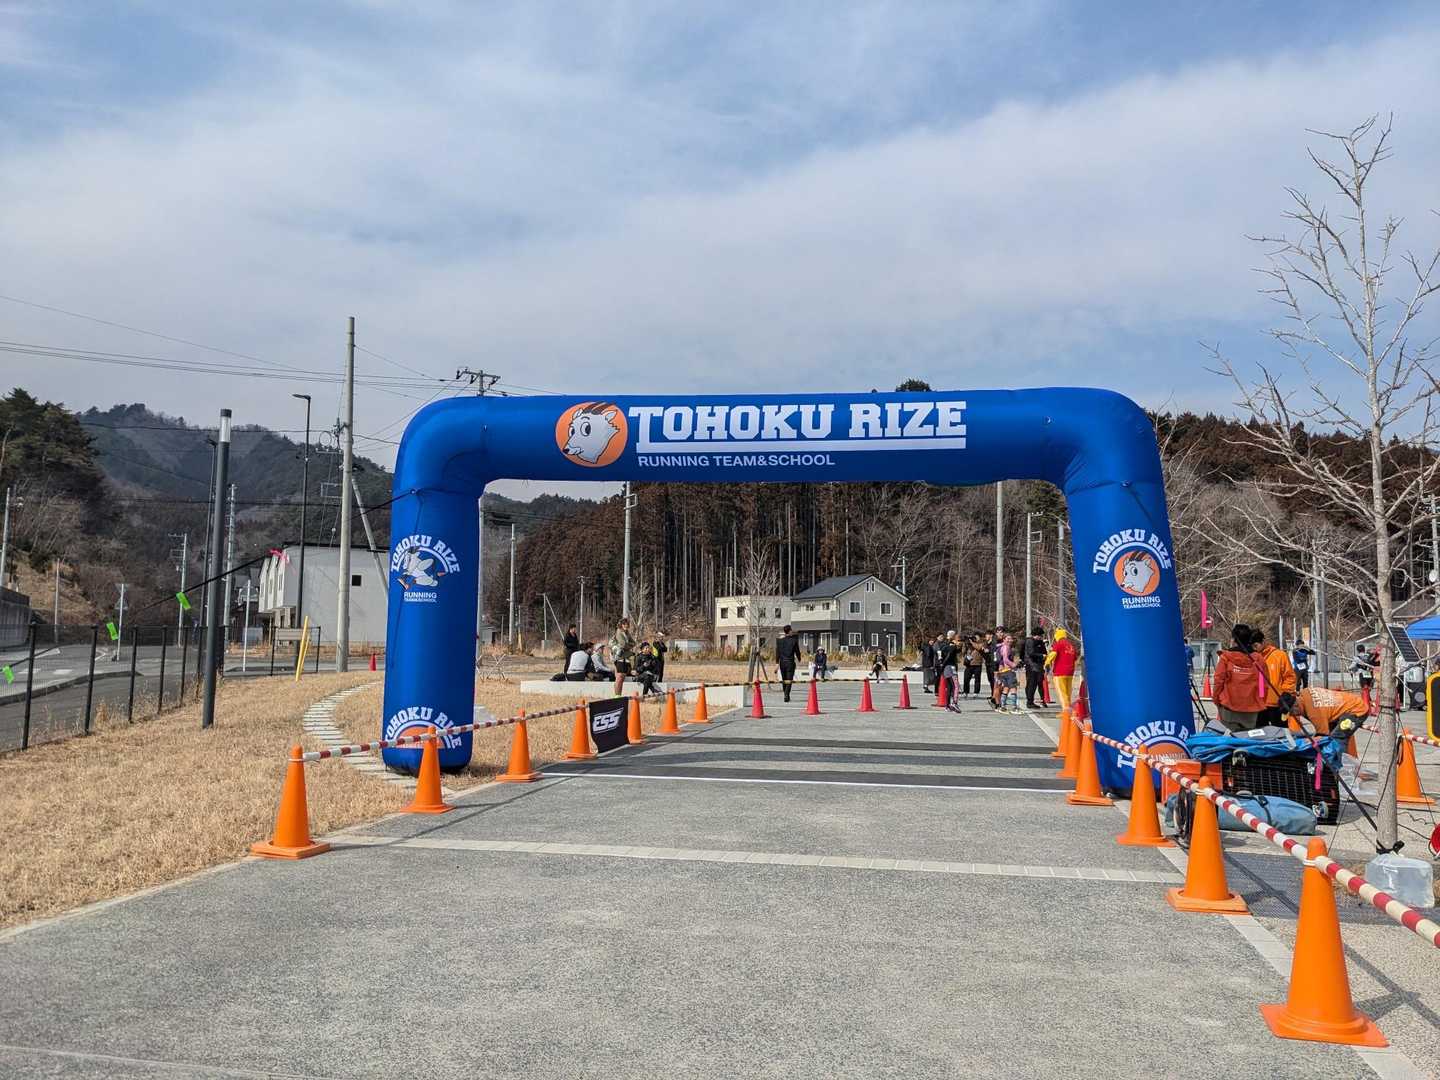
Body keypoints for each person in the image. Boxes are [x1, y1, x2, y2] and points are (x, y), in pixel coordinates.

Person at [1212, 624, 1265, 731]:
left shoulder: (1226, 658)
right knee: (1246, 737)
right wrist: (1260, 701)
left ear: (1233, 640)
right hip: (1251, 709)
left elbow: (1218, 681)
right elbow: (1263, 685)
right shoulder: (1258, 659)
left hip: (1229, 707)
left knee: (1229, 737)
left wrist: (1216, 699)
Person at [1251, 629, 1297, 727]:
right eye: (1252, 646)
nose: (1254, 649)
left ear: (1263, 641)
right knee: (1260, 732)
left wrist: (1286, 694)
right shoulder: (1252, 657)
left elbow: (1290, 677)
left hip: (1277, 704)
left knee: (1280, 731)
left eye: (1256, 645)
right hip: (1258, 704)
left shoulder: (1279, 656)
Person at [1283, 686, 1368, 737]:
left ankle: (1337, 761)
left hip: (1356, 709)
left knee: (1337, 738)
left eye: (1292, 713)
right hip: (1347, 704)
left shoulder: (1315, 714)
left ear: (1295, 705)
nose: (1293, 715)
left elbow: (1323, 735)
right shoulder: (1305, 692)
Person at [1048, 628, 1078, 716]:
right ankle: (1069, 710)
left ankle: (1066, 712)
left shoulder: (1058, 644)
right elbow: (1075, 658)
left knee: (1062, 692)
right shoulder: (1070, 645)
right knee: (1068, 692)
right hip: (1070, 672)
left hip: (1059, 672)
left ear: (1057, 635)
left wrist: (1046, 662)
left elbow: (1053, 654)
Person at [775, 624, 803, 702]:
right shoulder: (794, 641)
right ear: (789, 631)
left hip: (782, 663)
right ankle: (786, 695)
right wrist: (799, 659)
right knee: (789, 680)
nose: (792, 632)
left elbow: (777, 652)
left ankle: (785, 694)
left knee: (784, 679)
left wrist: (777, 662)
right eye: (791, 630)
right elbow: (797, 651)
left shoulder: (780, 641)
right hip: (790, 662)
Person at [1022, 627, 1048, 710]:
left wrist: (1044, 655)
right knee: (1031, 684)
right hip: (1032, 665)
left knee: (1037, 683)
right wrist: (1041, 655)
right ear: (1035, 635)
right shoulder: (1030, 641)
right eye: (1040, 636)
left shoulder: (1040, 642)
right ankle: (1029, 702)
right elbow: (1031, 653)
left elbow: (1044, 651)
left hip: (1038, 665)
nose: (1041, 637)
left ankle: (1034, 701)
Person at [608, 617, 634, 695]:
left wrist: (628, 645)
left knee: (621, 678)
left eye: (627, 624)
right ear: (621, 625)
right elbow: (623, 645)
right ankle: (617, 695)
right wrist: (629, 646)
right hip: (618, 657)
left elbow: (634, 643)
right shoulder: (619, 632)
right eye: (624, 624)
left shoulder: (627, 633)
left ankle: (618, 695)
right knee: (619, 677)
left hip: (624, 656)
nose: (626, 625)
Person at [997, 633, 1021, 714]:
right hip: (1008, 670)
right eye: (1008, 639)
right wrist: (1014, 665)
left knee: (1006, 688)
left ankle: (1003, 707)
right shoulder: (1006, 647)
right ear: (1004, 639)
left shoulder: (1001, 646)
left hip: (1003, 671)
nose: (1010, 640)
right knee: (1013, 688)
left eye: (1011, 639)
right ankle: (1014, 708)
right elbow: (1005, 659)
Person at [938, 630, 960, 704]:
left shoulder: (943, 645)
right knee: (956, 686)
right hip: (950, 666)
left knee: (949, 687)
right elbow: (949, 655)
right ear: (952, 636)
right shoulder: (951, 645)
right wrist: (955, 645)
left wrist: (942, 665)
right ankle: (954, 703)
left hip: (945, 668)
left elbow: (940, 656)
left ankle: (947, 705)